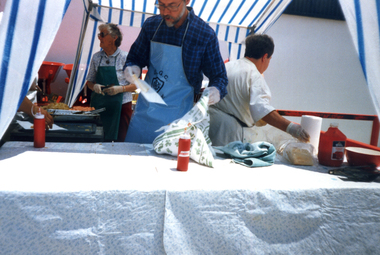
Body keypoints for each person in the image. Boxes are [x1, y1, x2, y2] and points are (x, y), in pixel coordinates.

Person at [123, 0, 228, 144]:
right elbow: (135, 57)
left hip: (178, 121)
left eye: (172, 5)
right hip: (144, 115)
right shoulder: (152, 25)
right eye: (161, 5)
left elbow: (219, 76)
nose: (165, 12)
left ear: (186, 1)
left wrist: (216, 90)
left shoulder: (203, 34)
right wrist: (132, 68)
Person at [209, 34, 310, 146]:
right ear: (264, 57)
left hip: (210, 126)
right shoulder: (253, 74)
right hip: (229, 134)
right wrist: (291, 127)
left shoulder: (227, 67)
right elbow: (262, 110)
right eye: (269, 59)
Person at [86, 23, 136, 142]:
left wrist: (120, 89)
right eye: (99, 35)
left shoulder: (125, 57)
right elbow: (89, 82)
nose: (99, 38)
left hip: (121, 107)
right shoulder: (96, 57)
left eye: (102, 34)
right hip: (100, 107)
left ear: (114, 38)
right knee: (98, 141)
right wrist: (95, 87)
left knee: (120, 143)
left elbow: (136, 84)